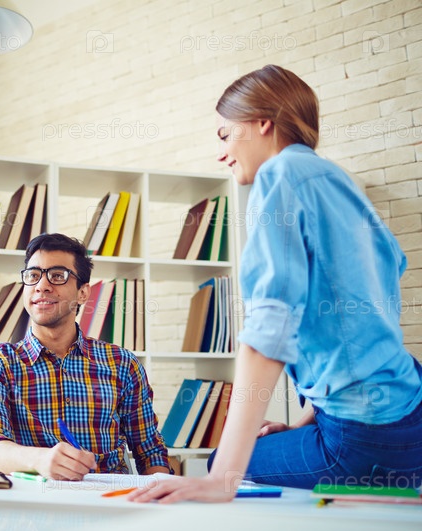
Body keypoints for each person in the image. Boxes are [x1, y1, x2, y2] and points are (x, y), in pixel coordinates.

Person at [130, 65, 422, 504]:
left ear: (263, 123)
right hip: (410, 413)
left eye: (226, 135)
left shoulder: (279, 175)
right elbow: (363, 324)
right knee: (268, 446)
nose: (222, 153)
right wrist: (310, 422)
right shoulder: (339, 182)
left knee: (218, 463)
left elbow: (269, 330)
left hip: (364, 442)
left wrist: (221, 480)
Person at [0, 232, 171, 480]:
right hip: (30, 507)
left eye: (57, 276)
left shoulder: (122, 364)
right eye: (33, 276)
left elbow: (150, 452)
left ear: (83, 293)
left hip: (109, 504)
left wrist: (162, 498)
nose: (41, 285)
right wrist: (40, 460)